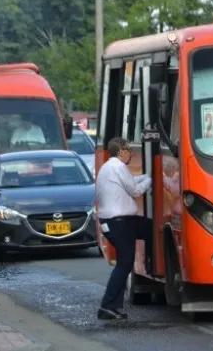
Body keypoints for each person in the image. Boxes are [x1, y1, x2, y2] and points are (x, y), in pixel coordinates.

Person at [94, 137, 152, 320]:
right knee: (124, 264)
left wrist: (145, 177)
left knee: (152, 229)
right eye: (128, 150)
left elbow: (131, 181)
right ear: (121, 152)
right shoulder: (118, 167)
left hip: (118, 221)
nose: (131, 154)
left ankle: (151, 264)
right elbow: (136, 190)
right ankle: (107, 306)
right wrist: (151, 179)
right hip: (120, 222)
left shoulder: (109, 167)